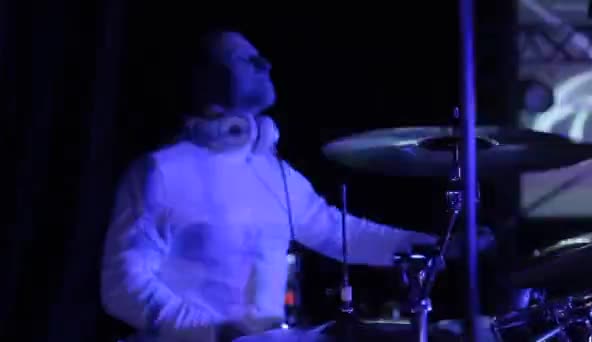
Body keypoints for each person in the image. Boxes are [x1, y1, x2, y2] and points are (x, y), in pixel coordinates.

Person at [100, 30, 489, 342]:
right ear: (206, 79)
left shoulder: (273, 173)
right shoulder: (163, 171)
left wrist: (439, 245)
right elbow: (122, 286)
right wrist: (212, 331)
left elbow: (339, 233)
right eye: (244, 58)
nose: (265, 63)